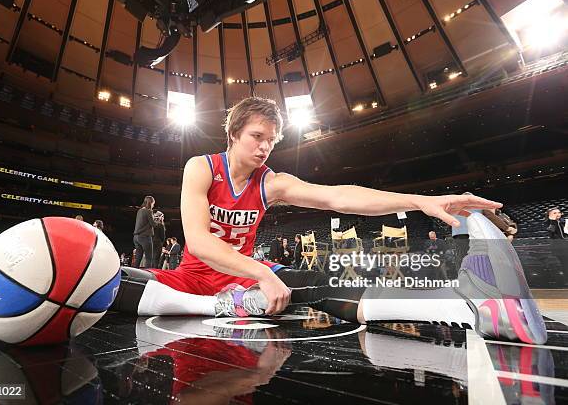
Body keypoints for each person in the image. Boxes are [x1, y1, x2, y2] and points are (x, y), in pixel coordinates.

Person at [111, 97, 546, 345]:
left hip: (242, 281)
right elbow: (202, 244)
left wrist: (420, 200)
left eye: (272, 140)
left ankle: (477, 311)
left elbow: (339, 197)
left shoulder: (272, 182)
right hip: (195, 277)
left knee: (325, 285)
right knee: (109, 280)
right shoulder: (201, 168)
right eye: (256, 137)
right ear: (233, 135)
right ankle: (223, 308)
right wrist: (263, 273)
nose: (264, 147)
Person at [133, 196, 157, 268]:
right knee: (149, 258)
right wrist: (158, 220)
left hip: (136, 237)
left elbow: (145, 222)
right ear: (150, 203)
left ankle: (133, 275)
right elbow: (153, 224)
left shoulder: (140, 210)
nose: (153, 205)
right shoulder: (149, 211)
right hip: (145, 237)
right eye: (153, 203)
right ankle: (148, 276)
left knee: (138, 258)